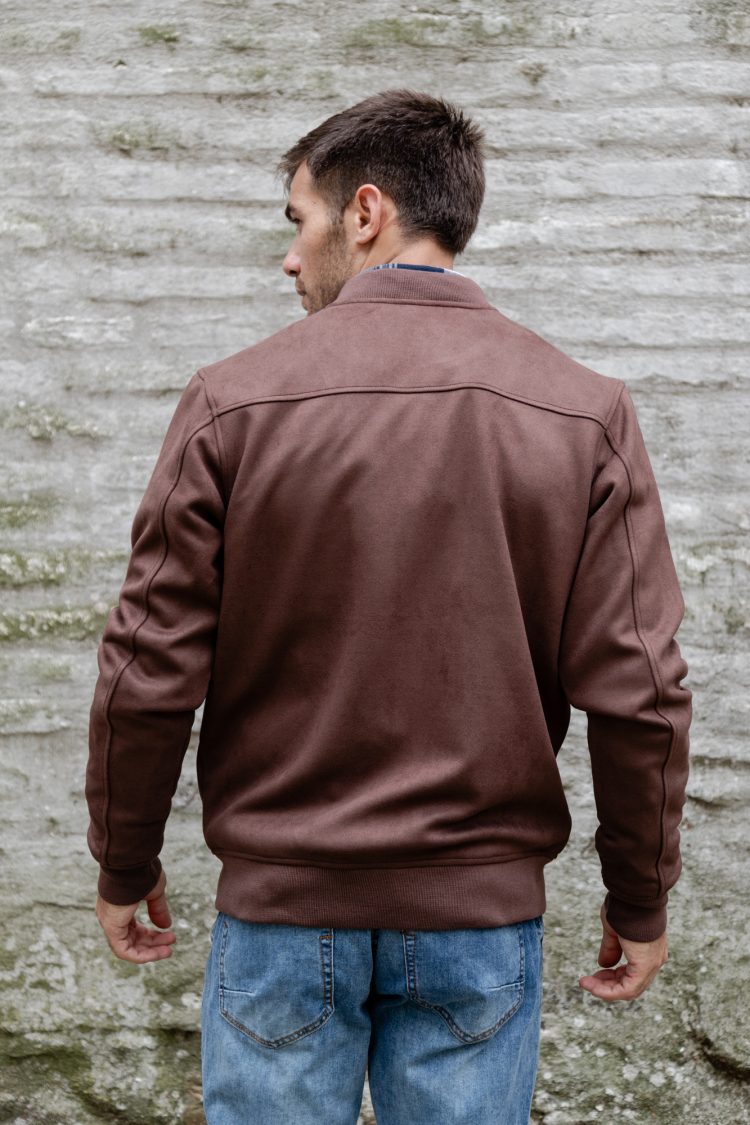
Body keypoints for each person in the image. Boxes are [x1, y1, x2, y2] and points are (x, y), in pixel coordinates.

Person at [86, 89, 692, 1124]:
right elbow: (641, 690)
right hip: (477, 923)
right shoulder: (585, 413)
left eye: (299, 222)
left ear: (365, 212)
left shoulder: (232, 403)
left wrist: (124, 856)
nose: (290, 258)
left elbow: (146, 669)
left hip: (283, 916)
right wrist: (639, 893)